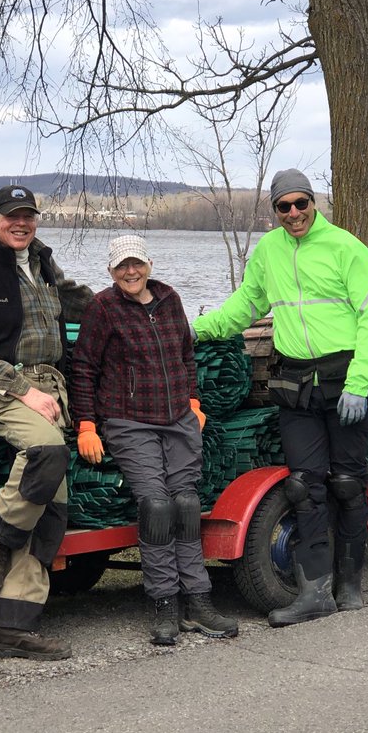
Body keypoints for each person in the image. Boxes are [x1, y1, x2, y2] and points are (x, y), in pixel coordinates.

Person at [193, 169, 368, 626]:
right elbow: (245, 306)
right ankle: (315, 591)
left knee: (348, 482)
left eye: (301, 203)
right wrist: (194, 331)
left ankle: (350, 585)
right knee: (305, 486)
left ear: (313, 203)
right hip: (298, 385)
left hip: (348, 382)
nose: (294, 213)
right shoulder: (269, 252)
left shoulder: (345, 247)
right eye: (284, 206)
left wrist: (361, 383)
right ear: (274, 211)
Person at [0, 184, 94, 660]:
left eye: (28, 215)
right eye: (11, 216)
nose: (20, 223)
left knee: (52, 511)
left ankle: (12, 629)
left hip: (51, 390)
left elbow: (82, 304)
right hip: (1, 390)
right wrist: (23, 389)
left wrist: (136, 297)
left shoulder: (45, 266)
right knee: (48, 453)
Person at [70, 234, 238, 646]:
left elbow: (185, 354)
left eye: (137, 263)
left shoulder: (169, 300)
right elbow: (84, 369)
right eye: (122, 265)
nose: (131, 271)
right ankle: (164, 603)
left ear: (149, 265)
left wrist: (193, 399)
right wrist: (87, 424)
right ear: (111, 271)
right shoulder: (103, 308)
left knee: (185, 504)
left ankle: (197, 601)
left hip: (178, 419)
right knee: (157, 505)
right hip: (129, 422)